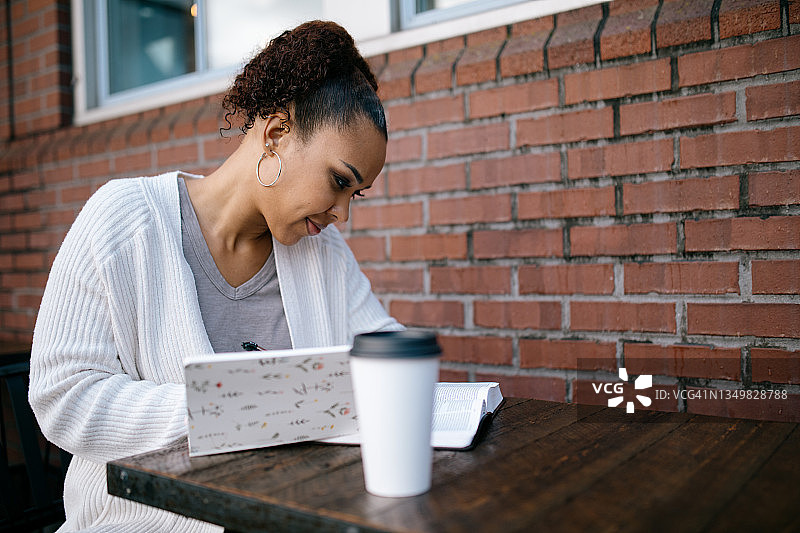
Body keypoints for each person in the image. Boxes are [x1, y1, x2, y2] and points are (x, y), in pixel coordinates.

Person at [28, 20, 402, 532]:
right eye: (339, 181)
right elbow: (62, 398)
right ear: (275, 134)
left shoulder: (322, 252)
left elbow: (385, 350)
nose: (342, 213)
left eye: (354, 194)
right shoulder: (124, 220)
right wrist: (241, 402)